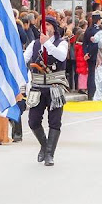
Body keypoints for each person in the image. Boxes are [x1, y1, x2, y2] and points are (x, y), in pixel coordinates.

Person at [24, 16, 68, 166]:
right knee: (33, 121)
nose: (45, 28)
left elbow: (61, 56)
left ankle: (49, 154)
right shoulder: (34, 44)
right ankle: (44, 145)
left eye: (48, 25)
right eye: (43, 25)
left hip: (55, 86)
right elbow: (23, 59)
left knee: (55, 121)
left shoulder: (62, 43)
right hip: (37, 87)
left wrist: (47, 44)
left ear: (54, 27)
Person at [82, 11, 102, 99]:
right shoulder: (98, 31)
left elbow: (84, 43)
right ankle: (94, 93)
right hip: (95, 55)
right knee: (95, 74)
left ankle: (90, 93)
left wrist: (86, 52)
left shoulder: (88, 29)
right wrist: (90, 54)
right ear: (98, 20)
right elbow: (96, 44)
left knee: (91, 74)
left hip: (89, 54)